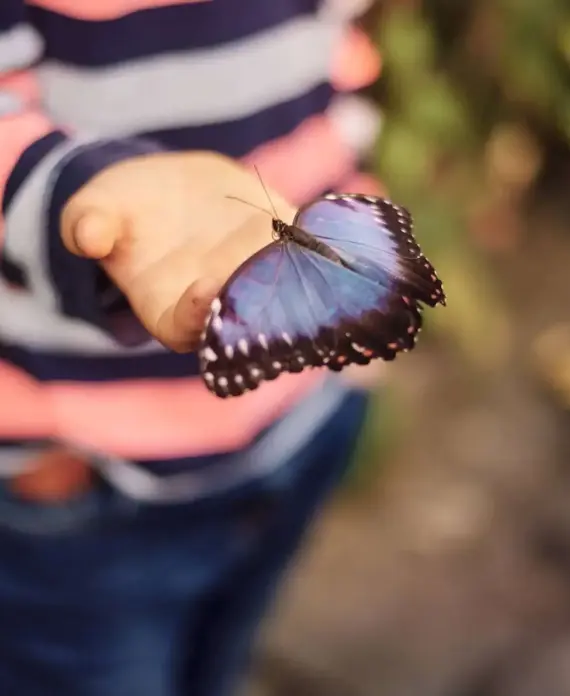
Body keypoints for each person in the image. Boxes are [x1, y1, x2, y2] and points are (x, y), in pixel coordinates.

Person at [0, 1, 383, 694]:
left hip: (303, 417)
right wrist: (86, 190)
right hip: (92, 482)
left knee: (221, 666)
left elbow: (334, 62)